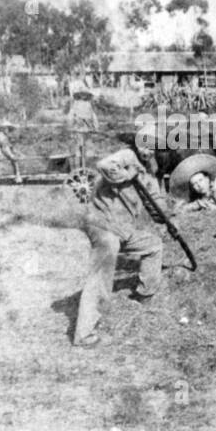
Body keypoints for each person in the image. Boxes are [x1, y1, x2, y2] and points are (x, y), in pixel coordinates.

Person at [73, 149, 165, 347]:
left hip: (123, 230)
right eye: (144, 145)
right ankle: (83, 334)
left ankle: (144, 294)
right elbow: (104, 165)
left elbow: (158, 210)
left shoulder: (149, 179)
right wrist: (128, 174)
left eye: (153, 147)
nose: (147, 151)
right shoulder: (127, 156)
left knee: (153, 245)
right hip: (102, 225)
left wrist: (163, 208)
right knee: (100, 275)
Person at [67, 90, 100, 169]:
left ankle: (80, 168)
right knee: (83, 149)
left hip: (80, 130)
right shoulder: (86, 104)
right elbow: (94, 117)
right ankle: (83, 168)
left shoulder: (77, 104)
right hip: (84, 130)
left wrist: (70, 126)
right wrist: (95, 127)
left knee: (79, 150)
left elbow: (70, 117)